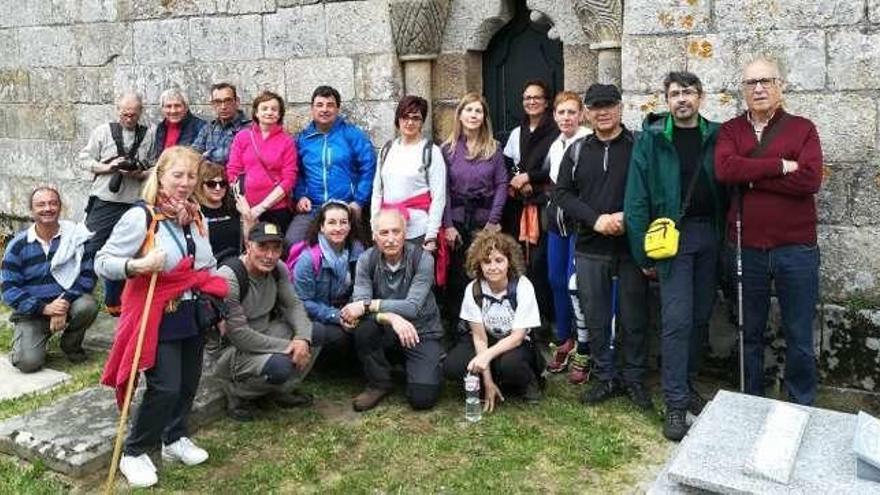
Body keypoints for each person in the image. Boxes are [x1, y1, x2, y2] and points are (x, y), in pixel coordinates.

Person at [96, 146, 226, 488]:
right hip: (156, 313)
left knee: (188, 383)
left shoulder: (194, 215)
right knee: (165, 387)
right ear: (161, 176)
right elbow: (103, 260)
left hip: (191, 310)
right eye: (177, 175)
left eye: (191, 176)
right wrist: (136, 265)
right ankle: (134, 451)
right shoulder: (141, 217)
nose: (185, 183)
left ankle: (174, 438)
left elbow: (205, 262)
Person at [715, 58, 823, 406]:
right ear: (743, 90)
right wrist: (779, 166)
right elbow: (725, 170)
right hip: (746, 247)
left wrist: (751, 177)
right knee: (750, 331)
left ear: (781, 85)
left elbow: (809, 179)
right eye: (750, 83)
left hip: (796, 249)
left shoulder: (802, 128)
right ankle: (751, 400)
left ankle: (800, 402)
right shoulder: (731, 130)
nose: (758, 88)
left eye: (765, 81)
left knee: (799, 333)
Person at [624, 72, 724, 441]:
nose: (682, 99)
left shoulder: (716, 135)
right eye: (674, 93)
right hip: (672, 238)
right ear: (666, 100)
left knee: (700, 317)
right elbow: (636, 200)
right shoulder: (650, 140)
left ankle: (688, 383)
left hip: (708, 235)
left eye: (688, 92)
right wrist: (641, 252)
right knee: (677, 320)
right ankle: (676, 403)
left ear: (701, 96)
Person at [554, 83, 652, 411]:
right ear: (587, 112)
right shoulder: (578, 150)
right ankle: (606, 375)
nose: (603, 111)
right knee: (595, 315)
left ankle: (634, 377)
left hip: (631, 246)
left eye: (609, 104)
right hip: (590, 245)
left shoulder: (640, 145)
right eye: (596, 106)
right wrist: (595, 219)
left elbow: (654, 188)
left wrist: (628, 215)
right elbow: (562, 194)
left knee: (633, 315)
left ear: (621, 107)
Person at [340, 209, 443, 412]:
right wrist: (391, 317)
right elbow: (359, 303)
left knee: (423, 399)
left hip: (421, 331)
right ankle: (379, 383)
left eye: (396, 232)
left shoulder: (423, 259)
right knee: (364, 329)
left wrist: (370, 306)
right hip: (386, 329)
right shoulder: (366, 260)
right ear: (374, 236)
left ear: (405, 233)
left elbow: (412, 307)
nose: (390, 239)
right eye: (384, 233)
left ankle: (425, 363)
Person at [215, 222, 318, 422]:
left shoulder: (278, 268)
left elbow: (294, 305)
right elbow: (238, 335)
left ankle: (280, 390)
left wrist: (303, 339)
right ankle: (237, 393)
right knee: (281, 366)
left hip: (265, 332)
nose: (270, 255)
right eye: (263, 247)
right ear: (248, 245)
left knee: (317, 332)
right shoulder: (230, 277)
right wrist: (291, 346)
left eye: (276, 248)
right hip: (234, 349)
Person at [444, 231, 545, 410]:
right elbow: (480, 338)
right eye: (487, 262)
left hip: (515, 343)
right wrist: (487, 381)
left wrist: (486, 356)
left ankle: (529, 381)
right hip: (488, 339)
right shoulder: (473, 289)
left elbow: (517, 337)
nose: (493, 267)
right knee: (452, 366)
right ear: (479, 264)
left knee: (510, 364)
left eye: (499, 260)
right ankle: (491, 383)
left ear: (509, 262)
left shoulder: (523, 286)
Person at [1, 187, 98, 372]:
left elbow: (88, 276)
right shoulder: (18, 246)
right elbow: (8, 289)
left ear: (61, 207)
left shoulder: (76, 238)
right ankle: (31, 341)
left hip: (67, 305)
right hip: (33, 313)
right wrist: (45, 308)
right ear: (31, 210)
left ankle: (70, 344)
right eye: (41, 204)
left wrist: (63, 304)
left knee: (88, 305)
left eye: (53, 203)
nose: (48, 208)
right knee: (27, 363)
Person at [79, 91, 154, 316]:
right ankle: (81, 300)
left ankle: (117, 303)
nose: (129, 119)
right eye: (124, 114)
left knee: (127, 252)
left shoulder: (147, 135)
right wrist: (109, 167)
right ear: (117, 110)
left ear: (140, 112)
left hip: (133, 201)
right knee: (90, 247)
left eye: (133, 114)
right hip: (105, 199)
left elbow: (153, 167)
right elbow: (84, 159)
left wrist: (139, 172)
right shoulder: (103, 132)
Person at [441, 92, 508, 322]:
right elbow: (444, 190)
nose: (473, 115)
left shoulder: (494, 148)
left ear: (484, 117)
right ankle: (458, 324)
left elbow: (501, 185)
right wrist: (448, 225)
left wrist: (493, 221)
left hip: (484, 221)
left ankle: (485, 321)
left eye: (478, 110)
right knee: (458, 277)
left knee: (484, 271)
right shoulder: (448, 149)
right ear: (459, 115)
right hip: (457, 222)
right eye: (468, 110)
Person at [543, 91, 592, 383]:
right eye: (561, 113)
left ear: (581, 114)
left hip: (578, 223)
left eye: (571, 112)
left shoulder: (587, 142)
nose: (566, 118)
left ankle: (585, 348)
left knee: (577, 285)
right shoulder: (556, 144)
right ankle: (564, 339)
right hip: (556, 223)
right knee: (556, 279)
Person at [502, 80, 559, 332]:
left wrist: (530, 178)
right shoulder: (518, 132)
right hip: (521, 206)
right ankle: (526, 319)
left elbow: (553, 168)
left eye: (537, 97)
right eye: (527, 98)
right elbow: (511, 163)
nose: (531, 101)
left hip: (546, 206)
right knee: (522, 262)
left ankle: (548, 318)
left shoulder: (556, 132)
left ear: (546, 102)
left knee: (542, 264)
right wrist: (519, 178)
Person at [286, 85, 377, 244]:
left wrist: (359, 201)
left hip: (346, 206)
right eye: (319, 105)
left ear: (338, 108)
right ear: (312, 108)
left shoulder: (352, 135)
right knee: (291, 243)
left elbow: (368, 167)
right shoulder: (304, 139)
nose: (324, 110)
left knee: (358, 250)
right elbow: (297, 172)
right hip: (313, 207)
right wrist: (301, 196)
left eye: (330, 105)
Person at [291, 201, 365, 365]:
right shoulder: (308, 259)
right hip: (318, 316)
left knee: (366, 330)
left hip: (348, 310)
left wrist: (352, 312)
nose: (338, 228)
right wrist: (336, 316)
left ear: (350, 225)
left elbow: (363, 286)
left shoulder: (358, 251)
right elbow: (303, 303)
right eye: (331, 222)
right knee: (339, 338)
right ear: (321, 227)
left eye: (343, 222)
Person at [371, 95, 446, 250]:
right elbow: (377, 192)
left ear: (422, 122)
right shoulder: (387, 150)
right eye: (405, 117)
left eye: (416, 118)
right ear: (398, 119)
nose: (410, 122)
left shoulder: (431, 152)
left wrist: (431, 234)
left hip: (418, 231)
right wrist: (375, 226)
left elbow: (438, 196)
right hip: (389, 231)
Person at [226, 90, 298, 233]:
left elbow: (289, 179)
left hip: (276, 208)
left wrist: (262, 207)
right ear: (256, 113)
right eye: (264, 108)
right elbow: (233, 171)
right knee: (250, 248)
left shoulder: (287, 141)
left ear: (279, 114)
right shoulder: (243, 137)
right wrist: (243, 204)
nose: (269, 112)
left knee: (275, 249)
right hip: (246, 208)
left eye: (274, 109)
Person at [195, 161, 249, 263]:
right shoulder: (196, 211)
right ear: (201, 186)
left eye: (222, 183)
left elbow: (249, 242)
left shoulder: (236, 207)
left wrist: (247, 216)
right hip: (209, 266)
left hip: (236, 265)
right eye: (211, 184)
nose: (218, 188)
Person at [192, 82, 251, 166]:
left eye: (228, 101)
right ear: (212, 104)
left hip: (236, 177)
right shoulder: (208, 128)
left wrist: (206, 155)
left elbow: (229, 155)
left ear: (237, 102)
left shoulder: (248, 127)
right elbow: (193, 153)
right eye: (218, 102)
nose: (223, 107)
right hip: (208, 177)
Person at [149, 88, 206, 161]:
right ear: (162, 109)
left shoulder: (200, 127)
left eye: (177, 106)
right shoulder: (161, 127)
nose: (173, 111)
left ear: (186, 107)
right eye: (168, 106)